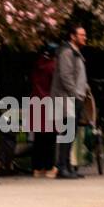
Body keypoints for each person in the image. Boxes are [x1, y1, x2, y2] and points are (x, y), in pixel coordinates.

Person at [50, 25, 88, 179]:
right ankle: (62, 167)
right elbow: (66, 76)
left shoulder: (75, 53)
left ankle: (67, 166)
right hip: (66, 98)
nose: (84, 38)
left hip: (74, 97)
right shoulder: (67, 52)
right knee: (67, 133)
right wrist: (75, 94)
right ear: (72, 36)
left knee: (70, 134)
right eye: (81, 35)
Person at [29, 44, 59, 178]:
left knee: (38, 138)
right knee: (50, 138)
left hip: (36, 101)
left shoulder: (37, 64)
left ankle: (37, 167)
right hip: (49, 103)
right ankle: (49, 167)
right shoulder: (53, 67)